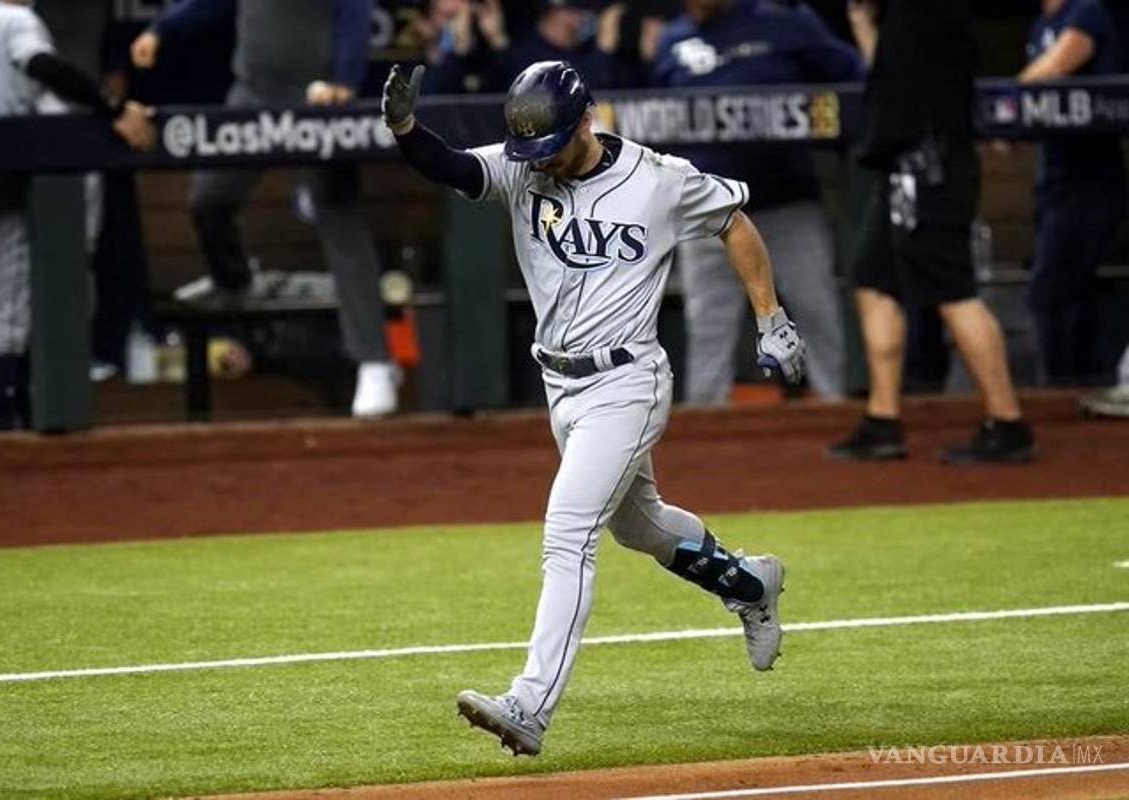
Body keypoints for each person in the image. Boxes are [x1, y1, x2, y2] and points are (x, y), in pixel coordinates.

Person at [382, 60, 801, 756]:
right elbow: (454, 168)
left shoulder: (658, 178)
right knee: (638, 527)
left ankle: (530, 705)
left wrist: (770, 318)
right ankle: (752, 582)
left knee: (568, 531)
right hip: (561, 387)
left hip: (628, 384)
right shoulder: (525, 166)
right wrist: (403, 127)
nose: (537, 161)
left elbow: (735, 221)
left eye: (550, 145)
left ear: (585, 120)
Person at [131, 0, 402, 418]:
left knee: (338, 215)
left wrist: (345, 79)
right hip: (252, 95)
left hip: (318, 100)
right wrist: (160, 30)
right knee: (209, 199)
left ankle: (375, 361)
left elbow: (353, 14)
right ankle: (234, 281)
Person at [0, 0, 155, 430]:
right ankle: (5, 448)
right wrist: (112, 108)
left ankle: (28, 427)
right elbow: (44, 66)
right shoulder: (13, 20)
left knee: (21, 316)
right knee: (4, 331)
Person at [828, 0, 1036, 464]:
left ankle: (1008, 422)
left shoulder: (932, 11)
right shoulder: (903, 18)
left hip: (930, 166)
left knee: (952, 288)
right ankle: (883, 419)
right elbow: (889, 77)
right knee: (873, 281)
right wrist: (864, 25)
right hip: (905, 167)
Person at [653, 0, 864, 405]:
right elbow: (643, 114)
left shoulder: (785, 23)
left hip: (786, 201)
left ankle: (834, 408)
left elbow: (851, 82)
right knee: (708, 322)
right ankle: (707, 424)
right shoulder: (673, 39)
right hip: (708, 211)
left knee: (814, 308)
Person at [1019, 0, 1126, 387]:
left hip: (1090, 183)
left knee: (1048, 296)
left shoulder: (1087, 11)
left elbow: (1054, 67)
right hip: (1055, 181)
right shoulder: (1040, 24)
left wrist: (1005, 109)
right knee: (1071, 296)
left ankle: (1057, 396)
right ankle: (1079, 389)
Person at [423, 0, 630, 94]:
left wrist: (497, 40)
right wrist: (459, 46)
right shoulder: (526, 53)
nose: (582, 19)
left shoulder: (586, 50)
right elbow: (432, 107)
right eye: (575, 12)